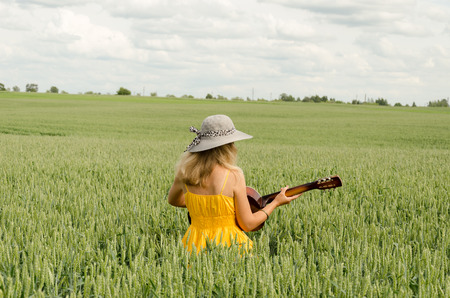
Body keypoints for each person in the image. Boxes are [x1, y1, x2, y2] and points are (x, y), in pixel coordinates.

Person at [168, 114, 301, 254]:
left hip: (193, 245)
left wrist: (203, 206)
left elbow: (174, 200)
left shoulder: (185, 172)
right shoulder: (233, 175)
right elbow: (248, 224)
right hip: (230, 247)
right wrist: (275, 203)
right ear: (228, 146)